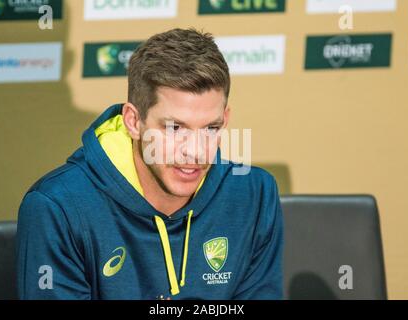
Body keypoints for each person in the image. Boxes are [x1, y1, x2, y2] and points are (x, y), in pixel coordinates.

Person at [16, 28, 284, 300]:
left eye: (210, 128)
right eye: (174, 128)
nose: (195, 152)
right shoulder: (57, 207)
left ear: (225, 120)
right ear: (134, 121)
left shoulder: (254, 195)